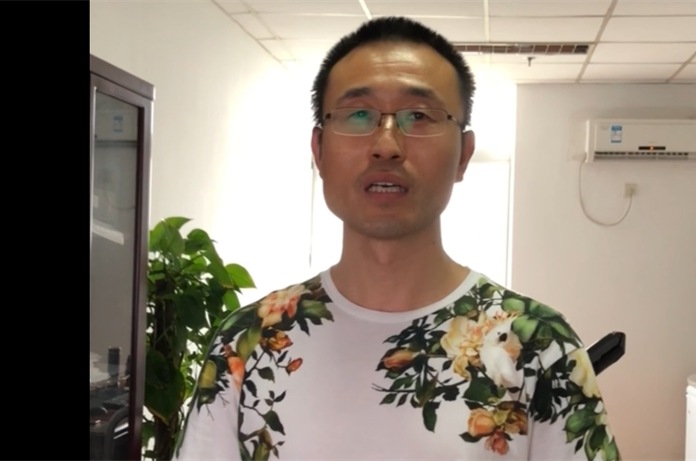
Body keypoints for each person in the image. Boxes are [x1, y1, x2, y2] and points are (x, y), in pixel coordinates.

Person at [172, 16, 620, 461]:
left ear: (463, 156)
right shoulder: (246, 343)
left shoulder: (540, 347)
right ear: (318, 151)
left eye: (419, 116)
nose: (386, 145)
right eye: (358, 114)